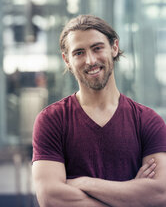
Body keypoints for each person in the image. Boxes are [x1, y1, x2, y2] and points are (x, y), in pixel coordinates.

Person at [32, 14, 166, 207]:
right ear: (67, 60)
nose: (90, 60)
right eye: (79, 53)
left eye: (97, 48)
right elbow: (51, 197)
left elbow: (160, 194)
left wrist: (85, 183)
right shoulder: (52, 120)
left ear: (114, 47)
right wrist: (132, 196)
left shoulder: (147, 121)